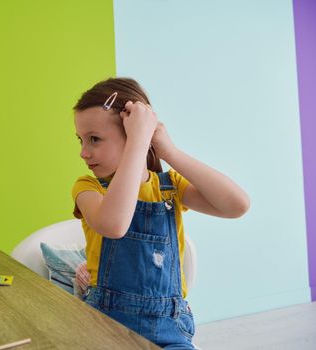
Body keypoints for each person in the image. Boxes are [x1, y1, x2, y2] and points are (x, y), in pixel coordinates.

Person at [71, 77, 250, 349]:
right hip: (105, 326)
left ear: (135, 134)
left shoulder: (171, 187)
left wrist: (170, 151)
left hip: (170, 329)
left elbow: (237, 205)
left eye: (94, 139)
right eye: (81, 140)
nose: (84, 152)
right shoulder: (88, 187)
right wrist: (138, 144)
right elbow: (114, 224)